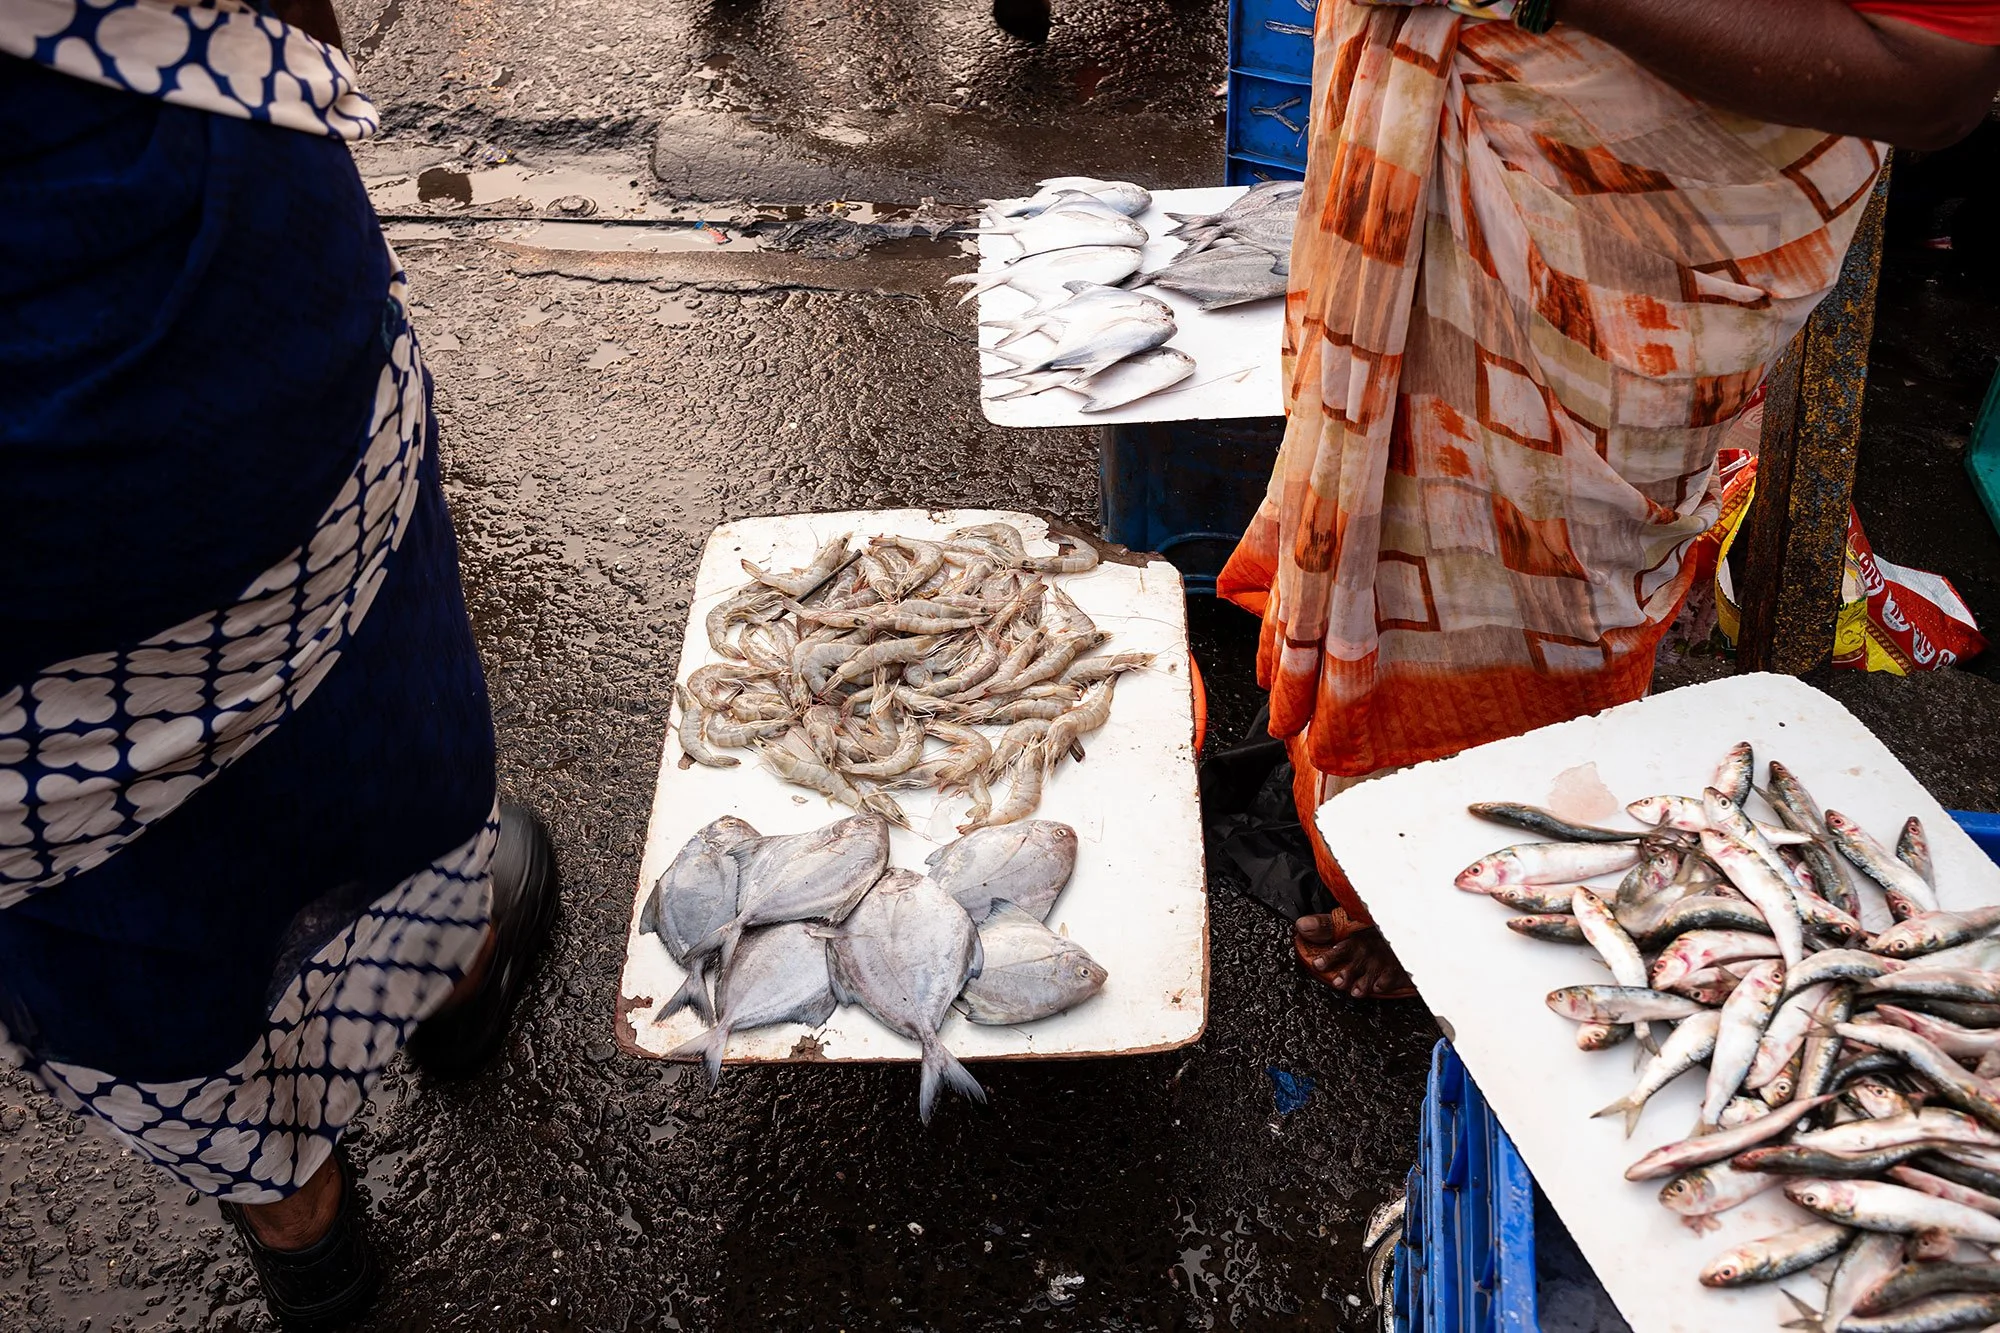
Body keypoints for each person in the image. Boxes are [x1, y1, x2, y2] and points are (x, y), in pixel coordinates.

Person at [1219, 0, 2000, 997]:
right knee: (1400, 512)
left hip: (1633, 206)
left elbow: (1932, 82)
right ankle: (1399, 863)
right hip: (1458, 104)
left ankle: (1498, 873)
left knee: (1544, 566)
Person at [0, 0, 559, 1326]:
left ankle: (303, 1233)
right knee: (359, 685)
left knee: (102, 893)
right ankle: (456, 982)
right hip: (166, 265)